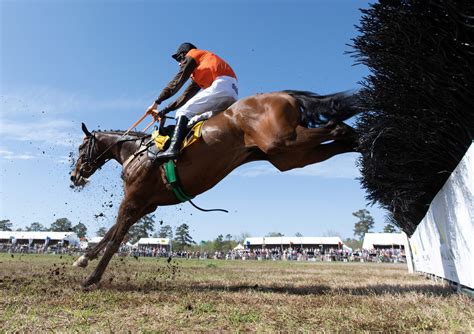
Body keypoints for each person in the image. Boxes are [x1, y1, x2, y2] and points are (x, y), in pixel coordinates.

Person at [146, 42, 238, 161]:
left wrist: (156, 102)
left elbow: (176, 82)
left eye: (180, 58)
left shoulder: (192, 54)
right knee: (194, 119)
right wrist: (165, 110)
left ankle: (173, 149)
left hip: (221, 86)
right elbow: (185, 96)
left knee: (182, 113)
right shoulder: (199, 70)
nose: (179, 63)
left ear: (185, 53)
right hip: (232, 93)